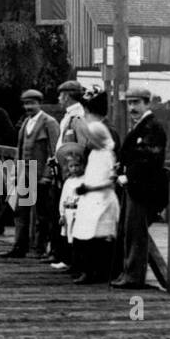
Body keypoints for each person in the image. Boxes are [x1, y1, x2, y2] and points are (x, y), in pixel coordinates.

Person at [111, 87, 167, 291]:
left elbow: (149, 160)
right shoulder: (139, 127)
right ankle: (127, 272)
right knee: (128, 230)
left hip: (143, 188)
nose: (132, 107)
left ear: (147, 103)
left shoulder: (152, 127)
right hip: (133, 186)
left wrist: (129, 176)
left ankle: (134, 276)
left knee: (136, 232)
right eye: (130, 103)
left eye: (137, 103)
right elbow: (133, 154)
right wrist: (121, 166)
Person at [70, 102, 119, 285]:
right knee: (85, 234)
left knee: (99, 237)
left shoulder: (106, 155)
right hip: (91, 199)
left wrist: (90, 188)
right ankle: (87, 270)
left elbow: (108, 180)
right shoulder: (94, 154)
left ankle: (97, 272)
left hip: (103, 199)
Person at [15, 89, 60, 260]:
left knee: (42, 214)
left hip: (41, 174)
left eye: (32, 103)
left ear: (39, 103)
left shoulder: (49, 122)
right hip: (25, 173)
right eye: (26, 104)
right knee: (21, 211)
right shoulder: (26, 122)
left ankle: (39, 248)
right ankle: (19, 246)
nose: (29, 107)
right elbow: (20, 149)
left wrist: (48, 175)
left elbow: (54, 150)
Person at [53, 144, 86, 274]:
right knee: (66, 237)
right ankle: (66, 261)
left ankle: (75, 263)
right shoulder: (68, 182)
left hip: (78, 211)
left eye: (77, 166)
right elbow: (63, 198)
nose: (74, 169)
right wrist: (61, 214)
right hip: (67, 212)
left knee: (76, 239)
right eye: (71, 166)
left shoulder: (84, 180)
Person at [55, 80, 90, 175]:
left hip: (73, 171)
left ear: (66, 97)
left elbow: (82, 146)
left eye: (60, 95)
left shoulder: (78, 116)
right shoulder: (69, 115)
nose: (58, 98)